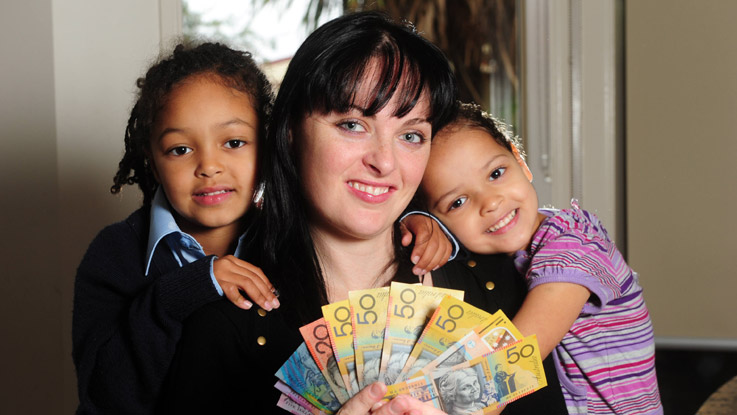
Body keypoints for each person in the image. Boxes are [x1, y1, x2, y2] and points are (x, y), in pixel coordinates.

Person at [158, 12, 569, 415]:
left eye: (410, 135)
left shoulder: (502, 285)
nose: (384, 162)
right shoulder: (228, 322)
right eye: (353, 124)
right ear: (290, 133)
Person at [72, 40, 447, 415]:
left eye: (233, 142)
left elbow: (359, 203)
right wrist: (188, 289)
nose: (209, 166)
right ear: (152, 162)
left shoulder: (284, 234)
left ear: (269, 147)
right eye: (179, 150)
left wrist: (416, 219)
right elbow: (102, 392)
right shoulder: (117, 254)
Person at [419, 102, 663, 414]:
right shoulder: (506, 253)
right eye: (458, 202)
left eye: (496, 173)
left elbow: (515, 355)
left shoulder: (574, 244)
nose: (490, 203)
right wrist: (417, 221)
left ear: (520, 161)